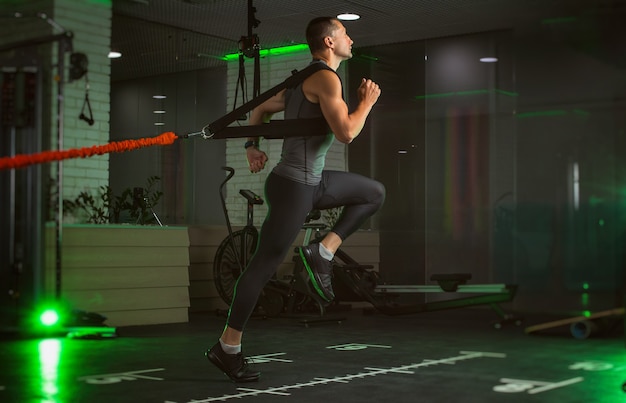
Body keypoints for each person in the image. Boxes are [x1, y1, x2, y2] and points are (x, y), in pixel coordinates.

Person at [206, 16, 384, 383]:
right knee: (262, 266)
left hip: (311, 182)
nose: (351, 38)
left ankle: (323, 251)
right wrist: (366, 102)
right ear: (330, 42)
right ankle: (228, 348)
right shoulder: (324, 78)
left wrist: (252, 145)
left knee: (373, 193)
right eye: (345, 33)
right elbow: (347, 132)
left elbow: (261, 108)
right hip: (293, 187)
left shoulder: (302, 79)